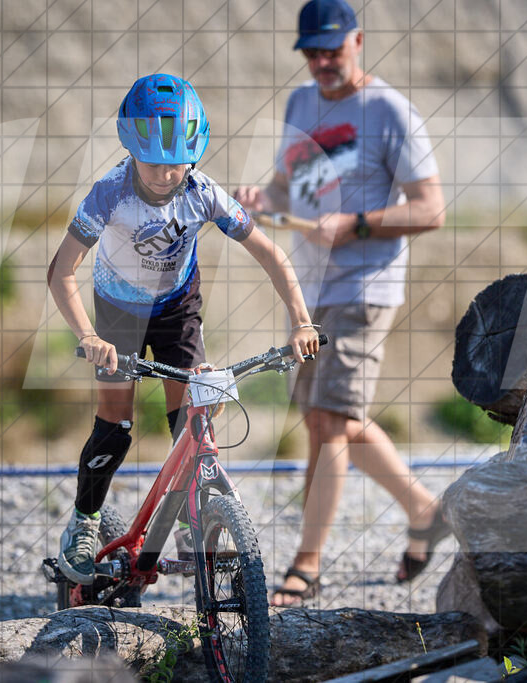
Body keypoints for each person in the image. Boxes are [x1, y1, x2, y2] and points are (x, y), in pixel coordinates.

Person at [47, 73, 320, 585]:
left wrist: (301, 320)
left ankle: (194, 519)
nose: (167, 174)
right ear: (131, 149)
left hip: (176, 308)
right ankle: (84, 522)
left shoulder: (203, 192)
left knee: (193, 421)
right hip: (117, 314)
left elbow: (272, 254)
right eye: (154, 163)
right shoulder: (109, 192)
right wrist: (88, 335)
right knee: (116, 426)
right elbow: (60, 271)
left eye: (178, 163)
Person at [234, 0, 449, 606]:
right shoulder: (301, 103)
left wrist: (354, 223)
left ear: (358, 41)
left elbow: (430, 209)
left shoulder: (389, 111)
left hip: (364, 287)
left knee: (329, 421)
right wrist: (262, 194)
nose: (323, 62)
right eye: (313, 51)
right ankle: (423, 508)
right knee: (331, 420)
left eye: (333, 49)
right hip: (309, 289)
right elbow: (290, 186)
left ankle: (307, 565)